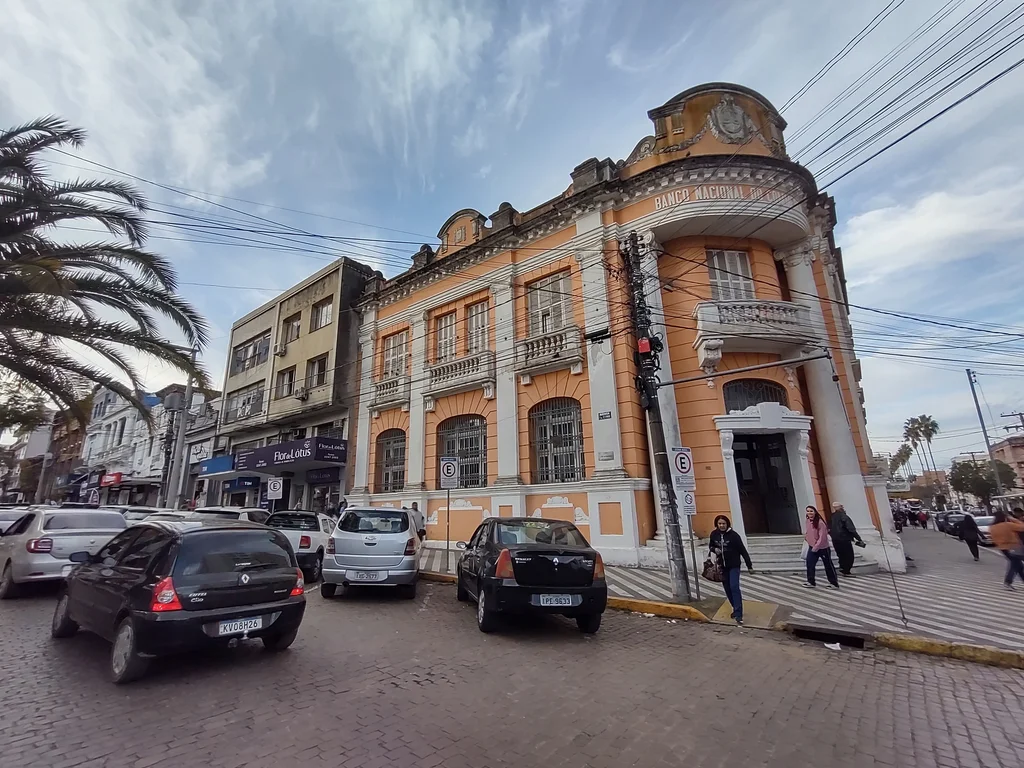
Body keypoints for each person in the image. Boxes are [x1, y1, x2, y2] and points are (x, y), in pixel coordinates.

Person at [708, 515, 753, 625]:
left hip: (734, 565)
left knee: (734, 587)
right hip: (722, 567)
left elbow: (742, 550)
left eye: (724, 523)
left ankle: (738, 614)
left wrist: (749, 565)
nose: (722, 525)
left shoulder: (734, 536)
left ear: (727, 524)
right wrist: (715, 549)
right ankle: (735, 608)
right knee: (727, 589)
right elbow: (710, 546)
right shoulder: (714, 534)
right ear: (716, 525)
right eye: (720, 524)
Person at [803, 505, 839, 589]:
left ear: (815, 512)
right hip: (812, 546)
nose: (809, 513)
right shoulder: (808, 521)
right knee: (810, 564)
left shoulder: (820, 523)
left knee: (828, 565)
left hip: (823, 548)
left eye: (811, 511)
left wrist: (816, 547)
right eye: (808, 511)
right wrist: (807, 539)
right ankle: (811, 581)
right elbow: (808, 532)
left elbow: (822, 537)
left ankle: (834, 583)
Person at [989, 510, 1024, 590]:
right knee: (1015, 565)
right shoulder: (1007, 525)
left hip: (1003, 548)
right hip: (1013, 547)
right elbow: (1022, 527)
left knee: (1018, 565)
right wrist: (1013, 519)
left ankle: (1010, 582)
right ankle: (1008, 582)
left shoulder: (992, 527)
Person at [829, 502, 865, 576]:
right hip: (844, 539)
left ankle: (842, 568)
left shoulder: (832, 516)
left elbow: (829, 528)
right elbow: (851, 529)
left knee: (840, 555)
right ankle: (846, 570)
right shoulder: (844, 516)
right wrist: (859, 539)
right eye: (842, 506)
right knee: (849, 555)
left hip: (835, 539)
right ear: (840, 507)